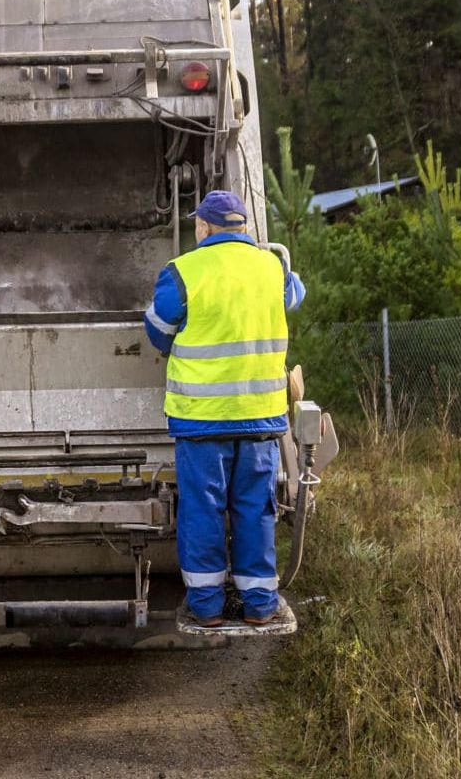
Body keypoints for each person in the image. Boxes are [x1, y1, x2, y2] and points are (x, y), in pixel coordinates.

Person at [144, 190, 305, 627]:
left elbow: (158, 330)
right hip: (259, 419)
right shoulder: (273, 267)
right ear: (243, 227)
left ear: (203, 227)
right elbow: (295, 298)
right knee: (255, 509)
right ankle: (259, 607)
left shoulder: (183, 271)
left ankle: (207, 609)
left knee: (204, 511)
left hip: (201, 421)